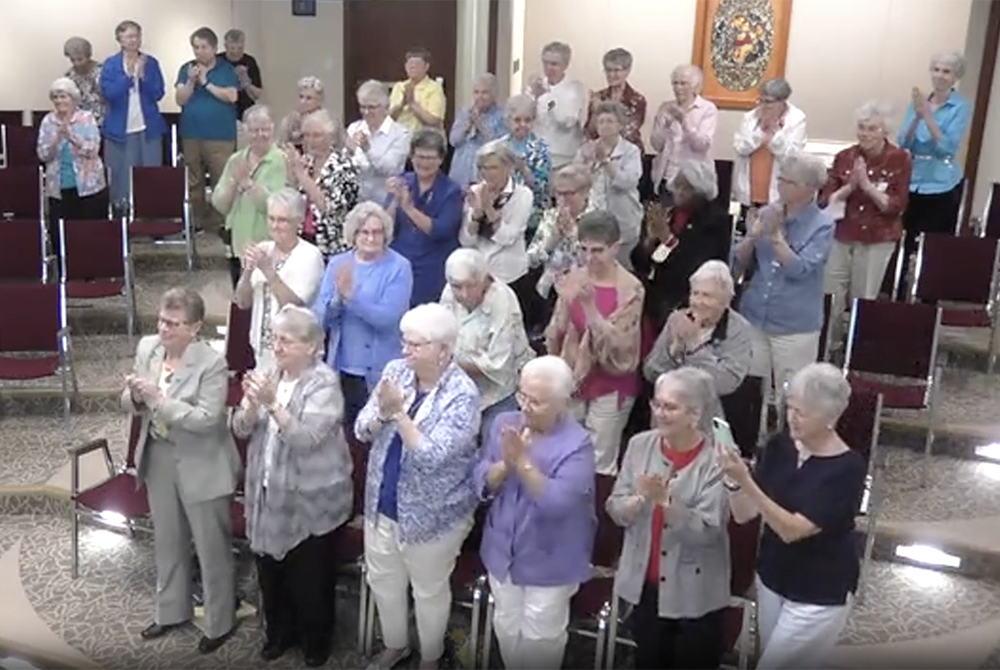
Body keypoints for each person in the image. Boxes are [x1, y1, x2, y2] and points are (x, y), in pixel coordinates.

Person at [356, 303, 481, 670]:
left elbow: (432, 456)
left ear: (443, 349)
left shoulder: (463, 394)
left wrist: (398, 413)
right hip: (383, 500)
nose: (404, 351)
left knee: (428, 590)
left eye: (416, 344)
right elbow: (362, 429)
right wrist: (382, 412)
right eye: (404, 342)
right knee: (384, 580)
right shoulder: (397, 372)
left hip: (435, 513)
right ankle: (395, 645)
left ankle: (430, 657)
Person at [718, 363, 866, 670]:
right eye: (790, 408)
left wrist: (746, 481)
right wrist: (732, 481)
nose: (792, 418)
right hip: (773, 577)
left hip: (820, 591)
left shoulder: (846, 469)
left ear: (829, 418)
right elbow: (744, 514)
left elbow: (792, 530)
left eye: (802, 412)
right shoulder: (779, 446)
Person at [121, 287, 239, 653]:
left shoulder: (211, 363)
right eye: (161, 320)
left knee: (210, 545)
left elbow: (207, 420)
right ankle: (171, 610)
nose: (164, 329)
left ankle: (220, 621)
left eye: (173, 324)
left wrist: (161, 401)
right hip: (159, 455)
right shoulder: (148, 348)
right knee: (168, 540)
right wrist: (137, 396)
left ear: (195, 326)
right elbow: (127, 402)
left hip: (203, 460)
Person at [233, 306, 352, 666]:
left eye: (285, 340)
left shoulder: (324, 383)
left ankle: (316, 643)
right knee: (271, 572)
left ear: (312, 345)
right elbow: (239, 428)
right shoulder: (267, 373)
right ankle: (278, 635)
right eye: (274, 339)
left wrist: (272, 404)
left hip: (312, 499)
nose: (277, 347)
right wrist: (252, 407)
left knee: (310, 579)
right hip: (267, 492)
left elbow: (306, 438)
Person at [473, 355, 596, 670]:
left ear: (562, 403)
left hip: (549, 559)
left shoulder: (577, 444)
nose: (525, 406)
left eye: (537, 402)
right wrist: (504, 465)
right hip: (503, 551)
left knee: (541, 639)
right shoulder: (504, 423)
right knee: (505, 624)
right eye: (522, 396)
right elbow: (481, 478)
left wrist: (523, 462)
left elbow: (559, 503)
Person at [608, 367, 732, 670]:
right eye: (657, 404)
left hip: (695, 594)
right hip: (646, 588)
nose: (660, 413)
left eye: (670, 407)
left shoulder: (718, 459)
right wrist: (639, 501)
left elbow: (708, 531)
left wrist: (667, 502)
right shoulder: (640, 445)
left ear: (694, 413)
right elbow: (614, 506)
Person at [733, 154, 834, 412]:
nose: (780, 186)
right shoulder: (767, 212)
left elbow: (799, 270)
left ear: (810, 188)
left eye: (788, 182)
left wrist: (776, 235)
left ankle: (787, 449)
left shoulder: (822, 225)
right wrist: (752, 238)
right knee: (752, 397)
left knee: (792, 400)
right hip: (755, 317)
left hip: (795, 326)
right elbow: (737, 262)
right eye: (780, 179)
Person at [545, 211, 643, 475]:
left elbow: (621, 347)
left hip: (611, 382)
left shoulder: (630, 288)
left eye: (598, 250)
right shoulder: (574, 275)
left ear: (615, 247)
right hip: (573, 378)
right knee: (567, 452)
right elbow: (556, 334)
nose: (589, 258)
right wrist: (564, 303)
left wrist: (590, 308)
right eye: (584, 249)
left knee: (600, 462)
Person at [313, 202, 413, 432]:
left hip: (380, 370)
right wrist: (338, 300)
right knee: (343, 434)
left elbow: (388, 318)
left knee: (374, 435)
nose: (371, 237)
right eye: (364, 232)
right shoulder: (338, 263)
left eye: (377, 232)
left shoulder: (399, 267)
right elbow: (321, 318)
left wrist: (351, 297)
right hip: (342, 368)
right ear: (353, 234)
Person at [819, 100, 911, 345]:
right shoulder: (845, 157)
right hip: (842, 233)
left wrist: (868, 187)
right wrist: (850, 187)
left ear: (885, 131)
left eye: (872, 129)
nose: (865, 134)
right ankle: (829, 346)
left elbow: (895, 206)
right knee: (831, 294)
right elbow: (826, 200)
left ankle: (857, 350)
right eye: (862, 127)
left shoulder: (899, 159)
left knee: (863, 297)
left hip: (877, 237)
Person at [895, 50, 972, 298]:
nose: (939, 76)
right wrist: (917, 116)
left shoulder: (960, 107)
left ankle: (927, 301)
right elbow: (903, 142)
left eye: (946, 71)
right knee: (904, 240)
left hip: (942, 183)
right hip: (913, 179)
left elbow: (947, 147)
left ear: (956, 76)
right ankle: (898, 295)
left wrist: (928, 117)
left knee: (933, 245)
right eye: (936, 69)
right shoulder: (918, 102)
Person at [441, 248, 534, 439]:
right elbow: (441, 332)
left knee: (495, 450)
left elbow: (497, 364)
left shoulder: (503, 300)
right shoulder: (450, 290)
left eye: (471, 286)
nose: (464, 293)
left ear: (484, 279)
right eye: (457, 286)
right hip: (458, 387)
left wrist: (445, 361)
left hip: (498, 394)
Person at [632, 160, 731, 339]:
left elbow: (696, 266)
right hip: (655, 299)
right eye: (676, 186)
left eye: (685, 188)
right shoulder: (668, 214)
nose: (678, 192)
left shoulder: (715, 222)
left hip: (686, 302)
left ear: (700, 192)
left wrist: (667, 239)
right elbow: (640, 262)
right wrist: (649, 241)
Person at [644, 260, 753, 422]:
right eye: (695, 294)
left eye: (707, 296)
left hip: (710, 419)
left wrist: (694, 347)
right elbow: (650, 372)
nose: (698, 302)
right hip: (667, 415)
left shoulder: (739, 329)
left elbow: (727, 382)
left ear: (726, 301)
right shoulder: (677, 319)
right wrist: (673, 352)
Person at [235, 188, 325, 370]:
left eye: (282, 220)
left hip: (295, 354)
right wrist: (247, 271)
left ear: (298, 221)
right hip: (262, 351)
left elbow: (295, 305)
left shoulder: (309, 255)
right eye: (271, 218)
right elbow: (242, 303)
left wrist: (268, 270)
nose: (275, 225)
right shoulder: (264, 248)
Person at [211, 105, 288, 287]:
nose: (260, 135)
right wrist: (233, 185)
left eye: (265, 129)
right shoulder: (236, 160)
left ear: (273, 128)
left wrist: (248, 184)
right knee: (241, 300)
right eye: (254, 130)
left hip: (269, 247)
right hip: (239, 245)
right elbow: (219, 204)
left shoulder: (282, 160)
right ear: (245, 131)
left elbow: (275, 206)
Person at [175, 26, 239, 235]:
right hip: (192, 133)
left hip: (220, 135)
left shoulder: (226, 69)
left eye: (203, 47)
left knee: (222, 180)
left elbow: (231, 96)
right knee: (194, 180)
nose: (199, 52)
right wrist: (192, 82)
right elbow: (180, 99)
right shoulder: (186, 69)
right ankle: (196, 222)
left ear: (214, 47)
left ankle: (221, 223)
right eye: (195, 47)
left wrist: (206, 82)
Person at [388, 130, 464, 307]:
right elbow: (387, 227)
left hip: (432, 267)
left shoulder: (451, 190)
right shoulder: (403, 181)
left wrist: (408, 208)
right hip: (400, 261)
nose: (423, 163)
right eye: (419, 157)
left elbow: (440, 230)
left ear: (440, 159)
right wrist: (395, 201)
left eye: (430, 158)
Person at [100, 20, 166, 215]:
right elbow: (108, 94)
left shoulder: (150, 62)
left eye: (136, 35)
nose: (133, 40)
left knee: (150, 173)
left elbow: (158, 93)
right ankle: (123, 216)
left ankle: (151, 214)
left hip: (148, 128)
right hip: (120, 129)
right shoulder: (111, 64)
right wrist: (128, 77)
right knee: (121, 174)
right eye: (129, 36)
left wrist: (143, 77)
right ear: (119, 39)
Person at [459, 140, 534, 308]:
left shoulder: (523, 195)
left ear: (508, 167)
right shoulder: (475, 191)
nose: (487, 173)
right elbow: (466, 241)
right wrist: (477, 214)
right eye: (483, 168)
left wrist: (488, 208)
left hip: (509, 275)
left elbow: (507, 237)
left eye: (492, 168)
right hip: (478, 275)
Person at [36, 78, 109, 249]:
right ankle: (64, 270)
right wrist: (56, 139)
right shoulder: (48, 121)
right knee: (62, 236)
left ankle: (91, 269)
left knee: (89, 235)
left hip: (89, 187)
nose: (59, 101)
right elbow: (43, 154)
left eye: (63, 96)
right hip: (59, 188)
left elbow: (93, 150)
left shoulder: (86, 118)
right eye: (56, 97)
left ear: (73, 98)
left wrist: (72, 138)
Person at [576, 100, 643, 268]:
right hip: (592, 221)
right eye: (601, 121)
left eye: (610, 121)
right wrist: (588, 164)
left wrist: (605, 161)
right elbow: (576, 181)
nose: (604, 126)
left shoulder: (631, 151)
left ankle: (614, 296)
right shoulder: (586, 149)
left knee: (619, 272)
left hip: (622, 222)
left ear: (620, 125)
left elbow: (627, 182)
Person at [286, 108, 361, 257]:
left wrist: (300, 174)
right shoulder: (307, 162)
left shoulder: (344, 165)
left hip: (332, 244)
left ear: (331, 137)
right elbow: (293, 195)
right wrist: (292, 170)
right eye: (306, 135)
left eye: (316, 135)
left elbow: (328, 207)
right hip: (303, 240)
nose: (310, 141)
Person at [732, 78, 807, 224]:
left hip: (777, 193)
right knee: (748, 238)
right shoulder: (751, 117)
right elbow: (740, 147)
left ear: (782, 102)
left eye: (769, 102)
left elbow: (791, 157)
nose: (763, 106)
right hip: (751, 191)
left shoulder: (797, 120)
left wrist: (774, 134)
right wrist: (759, 133)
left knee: (772, 239)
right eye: (761, 100)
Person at [650, 65, 718, 200]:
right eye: (675, 83)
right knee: (663, 219)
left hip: (692, 182)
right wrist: (665, 127)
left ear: (695, 86)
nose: (678, 88)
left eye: (683, 83)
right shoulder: (665, 108)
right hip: (666, 177)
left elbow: (702, 145)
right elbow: (656, 145)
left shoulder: (707, 109)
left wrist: (685, 123)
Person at [347, 79, 411, 206]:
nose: (366, 112)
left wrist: (367, 149)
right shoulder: (354, 128)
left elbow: (391, 169)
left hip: (385, 204)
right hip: (356, 202)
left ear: (386, 108)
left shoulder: (401, 134)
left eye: (371, 107)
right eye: (362, 107)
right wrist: (348, 151)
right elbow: (347, 167)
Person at [527, 41, 588, 170]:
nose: (549, 68)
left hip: (563, 158)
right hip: (537, 154)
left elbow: (566, 121)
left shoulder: (574, 88)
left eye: (554, 64)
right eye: (545, 63)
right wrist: (535, 98)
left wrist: (547, 96)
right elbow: (525, 117)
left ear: (565, 65)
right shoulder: (536, 85)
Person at [501, 93, 552, 235]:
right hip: (503, 216)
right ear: (508, 121)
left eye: (527, 120)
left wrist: (523, 169)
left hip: (531, 217)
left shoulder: (540, 148)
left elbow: (542, 189)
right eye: (517, 120)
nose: (522, 125)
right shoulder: (500, 147)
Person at [448, 73, 508, 187]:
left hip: (484, 174)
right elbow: (453, 141)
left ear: (494, 94)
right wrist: (467, 126)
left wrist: (480, 125)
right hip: (460, 172)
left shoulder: (502, 116)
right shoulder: (465, 112)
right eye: (476, 92)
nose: (479, 96)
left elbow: (499, 146)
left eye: (484, 92)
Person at [587, 48, 647, 152]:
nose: (611, 75)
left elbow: (626, 133)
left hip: (628, 154)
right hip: (602, 153)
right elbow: (590, 133)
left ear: (627, 71)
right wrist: (595, 114)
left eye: (616, 70)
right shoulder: (599, 96)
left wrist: (602, 110)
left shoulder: (637, 100)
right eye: (608, 70)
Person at [389, 47, 446, 133]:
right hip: (400, 136)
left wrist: (412, 104)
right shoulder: (399, 86)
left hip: (426, 138)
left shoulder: (434, 88)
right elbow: (389, 118)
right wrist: (402, 104)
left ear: (426, 67)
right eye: (410, 64)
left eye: (417, 64)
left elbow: (433, 121)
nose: (413, 67)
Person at [219, 29, 264, 121]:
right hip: (222, 110)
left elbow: (257, 94)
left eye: (239, 48)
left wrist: (245, 81)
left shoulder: (250, 61)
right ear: (226, 46)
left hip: (245, 111)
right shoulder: (218, 61)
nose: (236, 52)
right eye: (232, 48)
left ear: (243, 45)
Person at [62, 37, 104, 128]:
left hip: (103, 122)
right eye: (73, 60)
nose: (77, 63)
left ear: (88, 56)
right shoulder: (69, 76)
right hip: (80, 124)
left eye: (80, 59)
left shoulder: (102, 71)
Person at [277, 77, 325, 147]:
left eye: (309, 98)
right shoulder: (289, 121)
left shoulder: (326, 123)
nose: (303, 101)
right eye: (301, 97)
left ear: (319, 101)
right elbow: (280, 145)